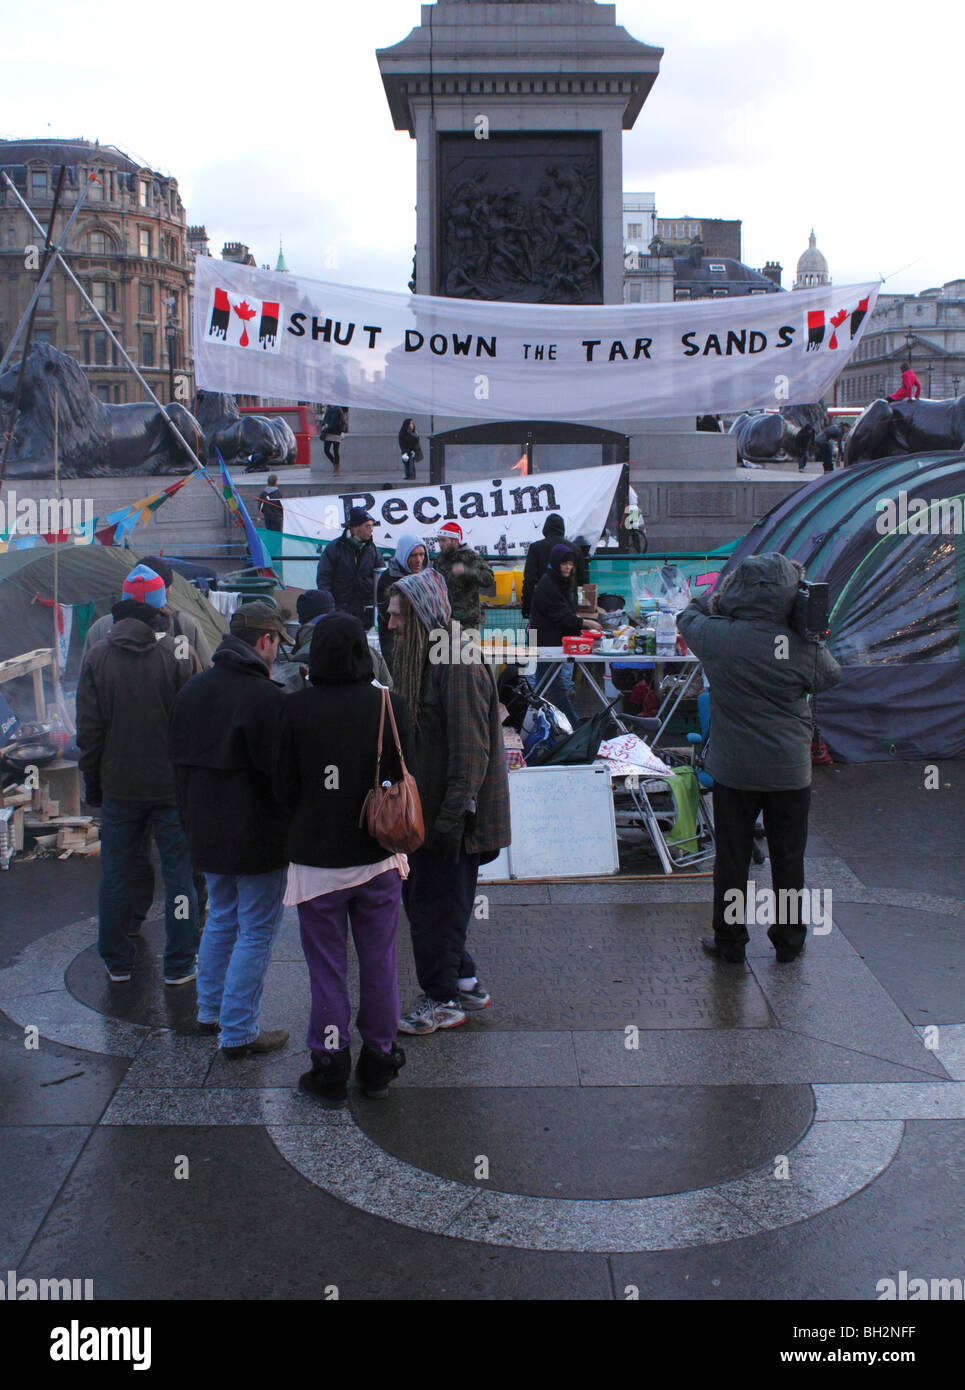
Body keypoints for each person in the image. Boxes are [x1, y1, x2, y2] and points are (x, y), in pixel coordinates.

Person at [676, 553, 841, 965]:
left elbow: (687, 618)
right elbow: (830, 676)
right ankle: (789, 941)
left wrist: (712, 601)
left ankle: (730, 942)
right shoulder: (801, 644)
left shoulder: (718, 636)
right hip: (789, 771)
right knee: (788, 858)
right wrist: (810, 633)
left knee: (731, 859)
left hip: (735, 770)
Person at [274, 614, 413, 1101]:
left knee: (326, 967)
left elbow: (282, 787)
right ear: (362, 652)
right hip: (377, 857)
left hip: (316, 863)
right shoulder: (388, 706)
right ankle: (379, 1058)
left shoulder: (293, 710)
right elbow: (405, 772)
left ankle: (330, 1063)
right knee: (379, 962)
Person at [387, 568, 511, 1035]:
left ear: (421, 614)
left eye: (398, 615)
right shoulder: (430, 655)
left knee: (433, 909)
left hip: (452, 818)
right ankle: (464, 980)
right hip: (434, 812)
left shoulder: (455, 660)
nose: (391, 624)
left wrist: (449, 821)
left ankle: (441, 1001)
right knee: (434, 903)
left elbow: (471, 751)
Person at [170, 600, 292, 1057]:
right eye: (277, 642)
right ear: (266, 641)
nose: (277, 651)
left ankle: (210, 1012)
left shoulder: (193, 691)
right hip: (257, 838)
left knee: (221, 916)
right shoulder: (267, 699)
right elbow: (281, 777)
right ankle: (239, 1031)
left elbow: (177, 766)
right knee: (256, 930)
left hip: (205, 832)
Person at [76, 566, 199, 986]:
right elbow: (194, 725)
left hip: (120, 786)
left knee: (116, 874)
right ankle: (181, 961)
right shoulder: (178, 652)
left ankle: (117, 959)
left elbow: (89, 733)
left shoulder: (97, 656)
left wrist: (94, 784)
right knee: (180, 875)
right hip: (171, 786)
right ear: (158, 610)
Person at [81, 555, 214, 669]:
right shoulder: (185, 625)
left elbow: (86, 681)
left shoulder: (99, 628)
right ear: (166, 591)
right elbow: (205, 671)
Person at [529, 544, 602, 728]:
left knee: (545, 684)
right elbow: (561, 615)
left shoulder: (563, 582)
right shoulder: (548, 585)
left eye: (570, 563)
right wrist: (587, 623)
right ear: (555, 563)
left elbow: (567, 613)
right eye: (564, 563)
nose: (568, 567)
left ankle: (537, 722)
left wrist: (578, 623)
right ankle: (572, 724)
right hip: (545, 642)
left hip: (553, 642)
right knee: (552, 685)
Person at [315, 507, 380, 629]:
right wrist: (330, 608)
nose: (371, 530)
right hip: (340, 612)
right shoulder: (334, 548)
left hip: (367, 613)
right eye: (367, 526)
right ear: (355, 527)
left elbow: (380, 579)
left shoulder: (373, 550)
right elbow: (324, 580)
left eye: (372, 526)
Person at [521, 513, 589, 619]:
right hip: (568, 609)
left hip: (541, 609)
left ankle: (533, 636)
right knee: (565, 635)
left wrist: (526, 607)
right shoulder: (575, 549)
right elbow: (583, 581)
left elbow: (529, 580)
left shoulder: (535, 548)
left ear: (545, 529)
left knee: (534, 634)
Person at [376, 533, 427, 672]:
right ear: (404, 554)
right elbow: (387, 613)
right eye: (413, 555)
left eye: (422, 554)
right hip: (394, 638)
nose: (418, 560)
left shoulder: (426, 577)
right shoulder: (388, 578)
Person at [432, 521, 494, 629]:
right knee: (445, 646)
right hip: (445, 619)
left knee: (465, 646)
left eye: (443, 540)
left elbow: (488, 578)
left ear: (454, 540)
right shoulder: (440, 559)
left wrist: (467, 571)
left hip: (467, 620)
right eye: (439, 540)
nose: (440, 544)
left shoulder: (470, 557)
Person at [320, 404, 348, 471]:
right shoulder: (328, 410)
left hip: (336, 432)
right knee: (326, 450)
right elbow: (325, 420)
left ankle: (337, 468)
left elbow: (343, 421)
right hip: (328, 432)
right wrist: (323, 426)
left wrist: (341, 431)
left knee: (336, 451)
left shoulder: (338, 409)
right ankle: (335, 463)